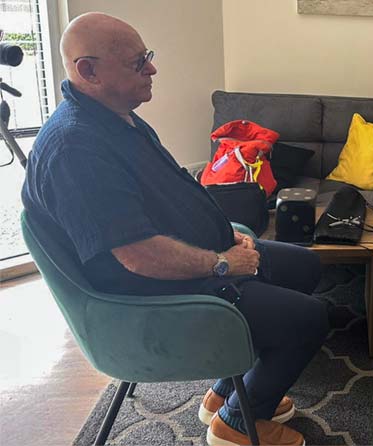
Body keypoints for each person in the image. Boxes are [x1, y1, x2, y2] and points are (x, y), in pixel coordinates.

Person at [21, 12, 327, 446]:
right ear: (88, 71)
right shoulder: (76, 149)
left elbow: (170, 195)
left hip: (180, 263)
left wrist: (226, 236)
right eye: (137, 62)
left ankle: (226, 391)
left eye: (147, 55)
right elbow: (138, 256)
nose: (152, 68)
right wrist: (222, 263)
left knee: (305, 267)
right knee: (308, 319)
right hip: (147, 294)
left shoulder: (118, 116)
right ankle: (238, 423)